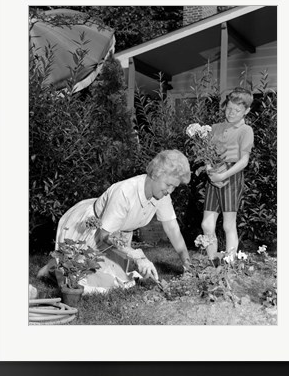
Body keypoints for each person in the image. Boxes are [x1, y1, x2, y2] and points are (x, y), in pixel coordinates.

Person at [37, 149, 192, 293]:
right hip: (94, 230)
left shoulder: (163, 195)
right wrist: (137, 255)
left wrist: (187, 263)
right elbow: (105, 234)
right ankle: (51, 269)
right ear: (155, 175)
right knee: (85, 284)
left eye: (174, 187)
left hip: (118, 237)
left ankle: (57, 268)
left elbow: (172, 229)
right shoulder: (125, 192)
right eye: (168, 185)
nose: (170, 191)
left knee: (123, 282)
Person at [201, 87, 254, 261]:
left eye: (237, 110)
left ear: (246, 111)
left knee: (228, 224)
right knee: (207, 224)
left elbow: (244, 160)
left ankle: (229, 265)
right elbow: (206, 153)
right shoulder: (215, 128)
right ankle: (213, 263)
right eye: (229, 108)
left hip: (231, 176)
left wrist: (223, 176)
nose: (231, 113)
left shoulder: (245, 130)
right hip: (213, 175)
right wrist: (209, 170)